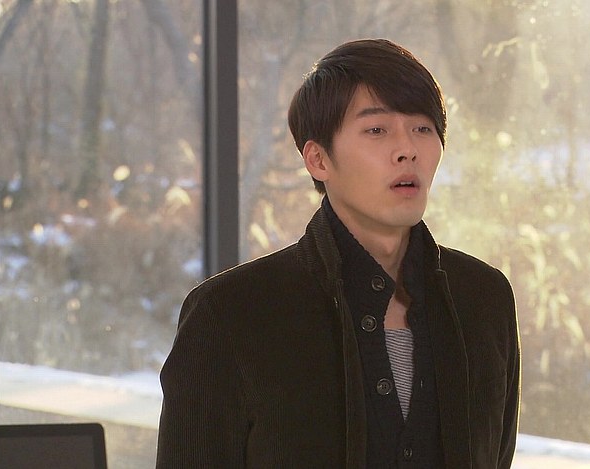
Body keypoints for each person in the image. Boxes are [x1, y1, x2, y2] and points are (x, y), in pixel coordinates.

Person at [156, 38, 520, 468]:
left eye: (423, 128)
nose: (408, 149)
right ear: (318, 160)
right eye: (377, 130)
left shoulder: (483, 298)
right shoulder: (229, 313)